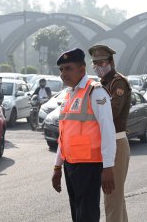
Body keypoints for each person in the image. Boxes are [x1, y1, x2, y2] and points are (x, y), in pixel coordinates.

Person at [51, 48, 116, 222]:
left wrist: (108, 167)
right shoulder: (69, 95)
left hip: (89, 166)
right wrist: (57, 166)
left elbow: (108, 130)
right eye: (61, 69)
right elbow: (63, 136)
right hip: (71, 166)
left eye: (68, 68)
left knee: (87, 216)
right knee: (77, 215)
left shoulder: (95, 92)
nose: (63, 73)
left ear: (82, 69)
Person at [89, 44, 131, 222]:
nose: (99, 66)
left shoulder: (118, 82)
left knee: (112, 197)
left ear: (111, 62)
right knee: (116, 197)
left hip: (116, 142)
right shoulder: (101, 84)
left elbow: (111, 113)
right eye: (95, 63)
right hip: (104, 142)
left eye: (102, 62)